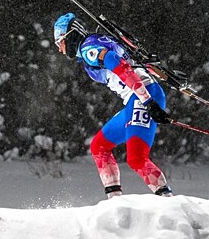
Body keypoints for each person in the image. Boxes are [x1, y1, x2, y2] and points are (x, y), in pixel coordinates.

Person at [53, 12, 174, 198]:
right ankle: (115, 204)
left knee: (136, 158)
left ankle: (168, 202)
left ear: (70, 36)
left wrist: (148, 101)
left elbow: (117, 63)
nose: (60, 49)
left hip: (143, 96)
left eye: (59, 42)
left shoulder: (88, 50)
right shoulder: (99, 40)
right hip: (138, 99)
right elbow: (133, 60)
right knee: (99, 146)